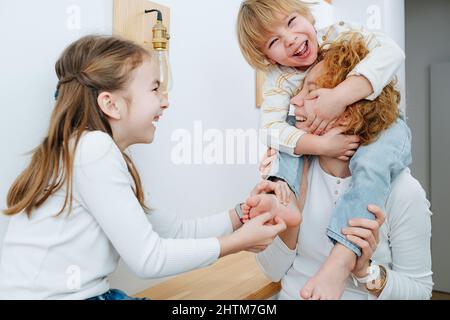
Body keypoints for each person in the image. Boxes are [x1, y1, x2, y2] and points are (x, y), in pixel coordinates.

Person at [0, 35, 287, 300]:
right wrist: (236, 243)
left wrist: (241, 214)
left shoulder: (88, 151)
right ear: (111, 104)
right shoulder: (93, 151)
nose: (165, 101)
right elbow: (149, 259)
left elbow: (173, 231)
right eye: (154, 89)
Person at [236, 0, 411, 299]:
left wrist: (339, 96)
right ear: (266, 57)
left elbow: (392, 52)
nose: (289, 39)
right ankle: (284, 192)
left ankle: (344, 254)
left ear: (306, 14)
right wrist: (321, 145)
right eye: (274, 41)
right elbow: (270, 129)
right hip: (314, 156)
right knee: (284, 138)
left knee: (374, 161)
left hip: (378, 121)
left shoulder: (341, 35)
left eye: (291, 22)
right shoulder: (279, 79)